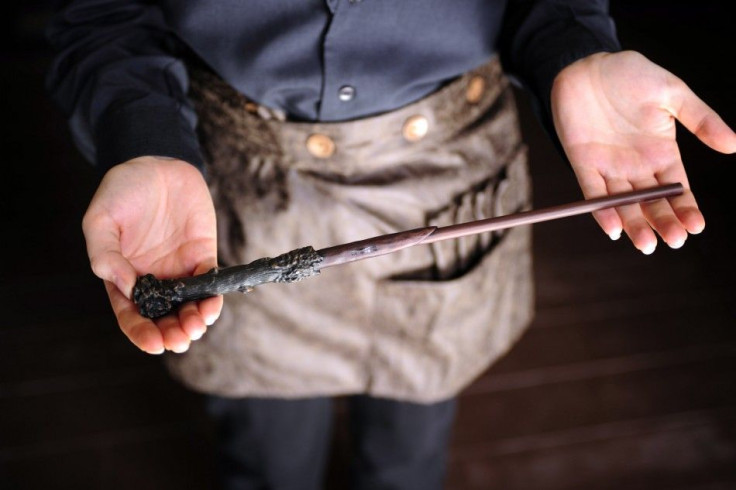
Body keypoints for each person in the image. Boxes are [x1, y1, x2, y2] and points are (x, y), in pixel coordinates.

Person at [46, 1, 736, 489]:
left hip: (449, 169)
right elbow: (102, 14)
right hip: (227, 190)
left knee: (411, 447)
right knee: (267, 454)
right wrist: (141, 139)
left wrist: (577, 47)